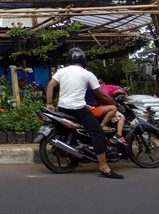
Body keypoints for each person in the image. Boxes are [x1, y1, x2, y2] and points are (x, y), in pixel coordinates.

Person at [46, 48, 124, 179]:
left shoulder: (61, 71)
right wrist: (114, 104)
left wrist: (49, 103)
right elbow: (100, 94)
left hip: (63, 108)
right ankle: (104, 168)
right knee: (97, 132)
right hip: (78, 109)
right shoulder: (87, 74)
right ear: (83, 60)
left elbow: (50, 86)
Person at [98, 79, 127, 144]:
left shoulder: (94, 87)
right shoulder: (105, 87)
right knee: (122, 117)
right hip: (104, 107)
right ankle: (118, 135)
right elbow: (106, 97)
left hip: (97, 107)